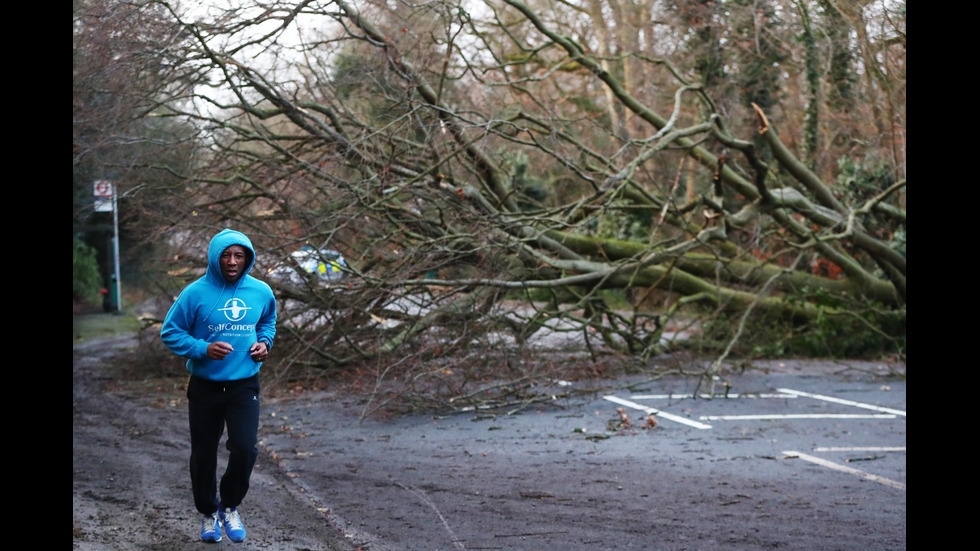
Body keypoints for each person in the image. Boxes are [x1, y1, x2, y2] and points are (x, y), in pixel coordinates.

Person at [161, 229, 277, 543]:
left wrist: (265, 343)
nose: (232, 261)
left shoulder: (261, 291)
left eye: (239, 255)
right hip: (205, 386)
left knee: (244, 447)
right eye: (226, 255)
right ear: (215, 257)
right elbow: (170, 332)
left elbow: (267, 321)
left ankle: (230, 506)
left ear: (248, 258)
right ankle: (209, 513)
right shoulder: (194, 294)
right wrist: (202, 349)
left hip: (244, 385)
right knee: (204, 453)